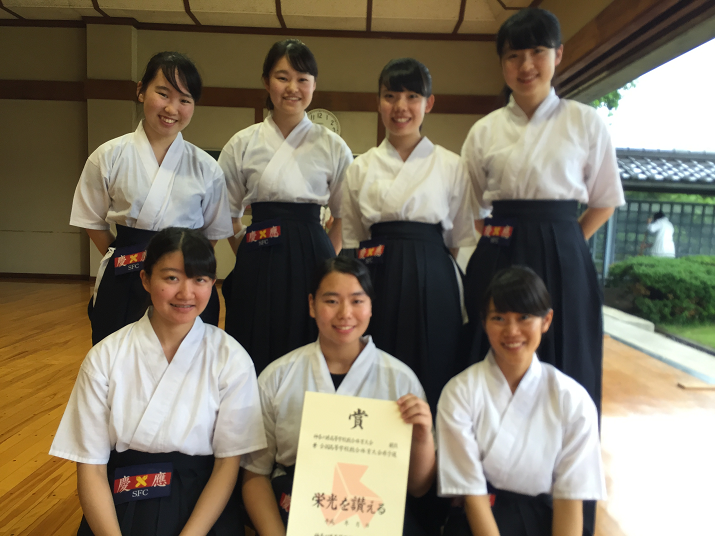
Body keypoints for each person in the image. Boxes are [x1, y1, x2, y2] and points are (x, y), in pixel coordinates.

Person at [49, 227, 266, 536]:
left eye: (200, 279)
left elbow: (227, 465)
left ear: (212, 283)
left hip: (203, 501)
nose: (186, 293)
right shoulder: (105, 356)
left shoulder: (231, 358)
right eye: (172, 278)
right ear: (145, 279)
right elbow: (91, 467)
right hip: (123, 495)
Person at [240, 256, 436, 536]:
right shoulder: (278, 377)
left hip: (373, 508)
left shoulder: (400, 380)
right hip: (297, 505)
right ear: (312, 305)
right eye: (331, 301)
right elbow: (255, 474)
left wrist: (422, 437)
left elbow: (418, 487)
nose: (345, 313)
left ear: (371, 306)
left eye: (357, 301)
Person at [341, 58, 477, 412]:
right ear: (378, 102)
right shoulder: (361, 167)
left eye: (412, 96)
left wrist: (432, 268)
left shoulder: (451, 165)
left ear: (428, 103)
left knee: (436, 359)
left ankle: (429, 442)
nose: (400, 107)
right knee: (376, 362)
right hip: (375, 276)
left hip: (434, 277)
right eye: (390, 96)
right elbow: (354, 238)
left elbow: (459, 238)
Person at [70, 52, 232, 345]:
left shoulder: (206, 167)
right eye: (163, 94)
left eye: (185, 100)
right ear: (141, 91)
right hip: (125, 273)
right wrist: (126, 255)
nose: (172, 108)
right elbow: (91, 220)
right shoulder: (108, 156)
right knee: (119, 355)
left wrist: (182, 264)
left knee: (188, 357)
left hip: (184, 279)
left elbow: (212, 232)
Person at [437, 267, 606, 536]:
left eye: (524, 317)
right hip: (478, 519)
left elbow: (570, 496)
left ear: (546, 320)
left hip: (544, 519)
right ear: (484, 323)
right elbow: (471, 492)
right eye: (499, 318)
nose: (512, 331)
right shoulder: (459, 392)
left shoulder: (572, 399)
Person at [219, 39, 353, 375]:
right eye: (282, 77)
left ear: (314, 85)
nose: (293, 88)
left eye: (302, 79)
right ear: (266, 82)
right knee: (253, 333)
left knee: (309, 337)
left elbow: (344, 215)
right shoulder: (243, 143)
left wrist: (327, 260)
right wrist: (246, 249)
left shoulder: (332, 145)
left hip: (313, 251)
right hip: (257, 252)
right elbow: (226, 212)